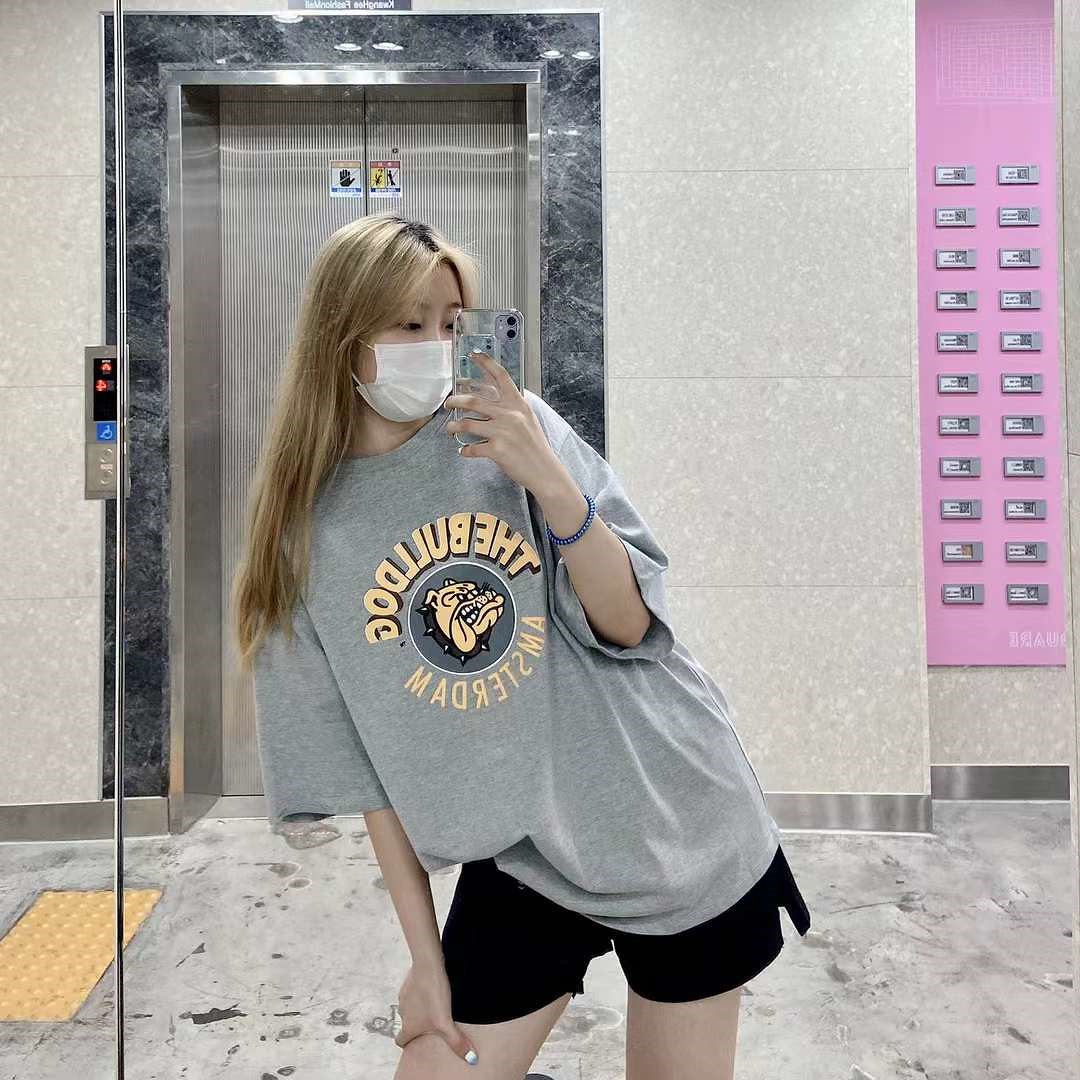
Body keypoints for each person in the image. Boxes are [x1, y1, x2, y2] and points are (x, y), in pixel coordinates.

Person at [230, 212, 811, 1080]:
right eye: (408, 324)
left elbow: (630, 626)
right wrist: (427, 963)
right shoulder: (305, 532)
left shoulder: (514, 429)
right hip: (526, 854)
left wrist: (547, 478)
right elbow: (369, 772)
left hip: (670, 814)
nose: (436, 346)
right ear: (340, 338)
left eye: (450, 322)